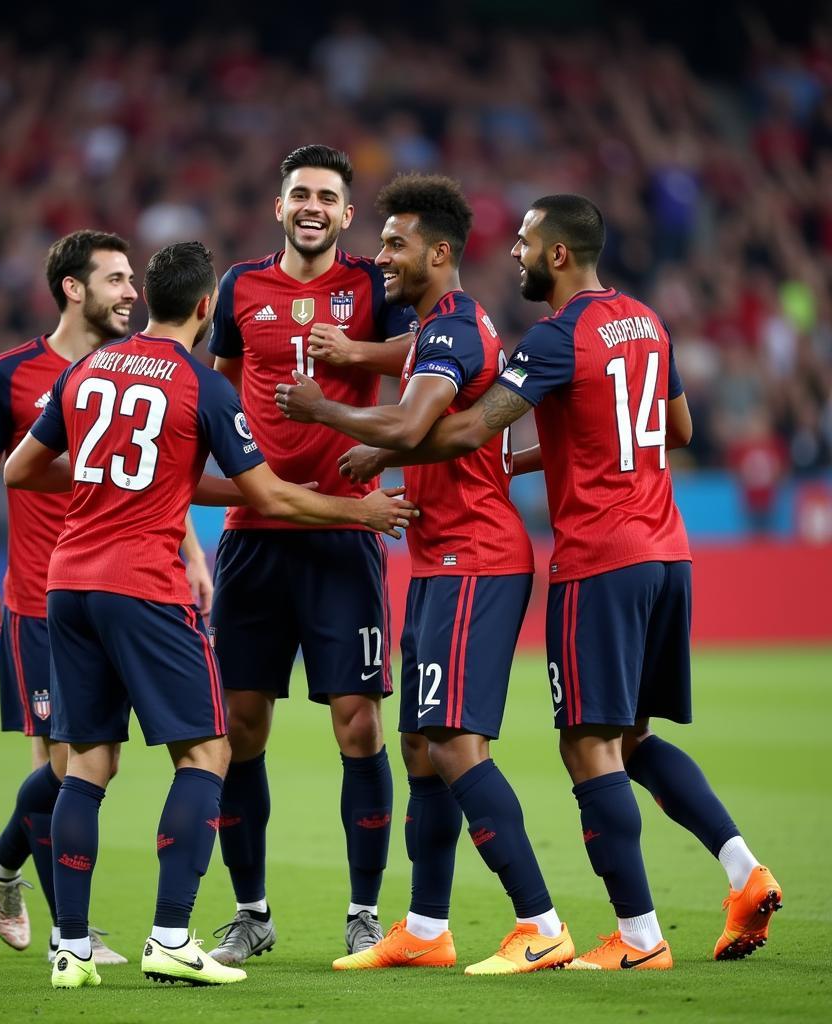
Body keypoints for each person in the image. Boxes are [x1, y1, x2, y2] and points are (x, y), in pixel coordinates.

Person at [341, 194, 782, 970]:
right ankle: (743, 869)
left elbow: (474, 426)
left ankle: (638, 939)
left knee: (587, 745)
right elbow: (673, 430)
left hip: (599, 556)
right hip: (667, 549)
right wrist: (530, 457)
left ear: (557, 255)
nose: (511, 252)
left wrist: (381, 447)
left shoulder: (556, 336)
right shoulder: (646, 321)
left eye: (523, 241)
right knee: (635, 738)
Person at [2, 240, 418, 989]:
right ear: (205, 309)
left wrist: (107, 480)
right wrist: (359, 512)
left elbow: (19, 469)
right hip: (144, 586)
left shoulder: (85, 369)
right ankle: (169, 936)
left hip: (65, 584)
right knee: (207, 755)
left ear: (149, 301)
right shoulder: (202, 387)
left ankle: (68, 949)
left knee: (88, 765)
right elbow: (272, 497)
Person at [277, 173, 573, 975]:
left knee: (452, 741)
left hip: (475, 558)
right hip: (440, 558)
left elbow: (413, 418)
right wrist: (373, 406)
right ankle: (427, 928)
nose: (382, 255)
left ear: (440, 253)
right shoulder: (441, 326)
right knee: (416, 742)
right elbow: (415, 391)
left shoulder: (451, 332)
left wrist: (328, 409)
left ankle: (540, 923)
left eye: (398, 244)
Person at [0, 229, 212, 965]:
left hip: (125, 581)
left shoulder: (134, 370)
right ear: (73, 288)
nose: (132, 292)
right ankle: (72, 937)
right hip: (42, 596)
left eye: (135, 279)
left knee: (87, 766)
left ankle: (1, 860)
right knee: (70, 767)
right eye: (116, 280)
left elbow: (159, 474)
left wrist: (189, 551)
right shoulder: (10, 374)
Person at [206, 144, 417, 964]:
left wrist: (356, 362)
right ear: (279, 204)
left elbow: (428, 355)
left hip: (344, 534)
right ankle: (251, 913)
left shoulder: (373, 285)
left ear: (347, 213)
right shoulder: (240, 288)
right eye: (300, 193)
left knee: (358, 725)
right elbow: (219, 388)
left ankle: (365, 912)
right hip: (255, 541)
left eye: (327, 196)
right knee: (240, 728)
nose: (312, 207)